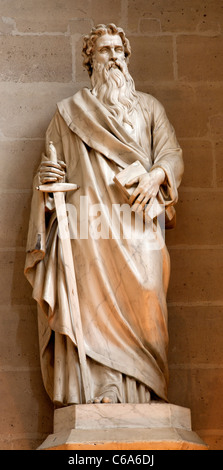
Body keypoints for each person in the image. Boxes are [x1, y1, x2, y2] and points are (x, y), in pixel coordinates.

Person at [25, 23, 183, 406]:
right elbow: (51, 172)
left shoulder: (149, 108)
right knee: (91, 308)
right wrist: (45, 181)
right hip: (87, 233)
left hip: (139, 225)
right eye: (104, 50)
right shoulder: (68, 115)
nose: (113, 57)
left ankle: (143, 395)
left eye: (119, 51)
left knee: (148, 298)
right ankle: (98, 393)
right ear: (90, 61)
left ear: (127, 59)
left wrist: (157, 175)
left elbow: (171, 154)